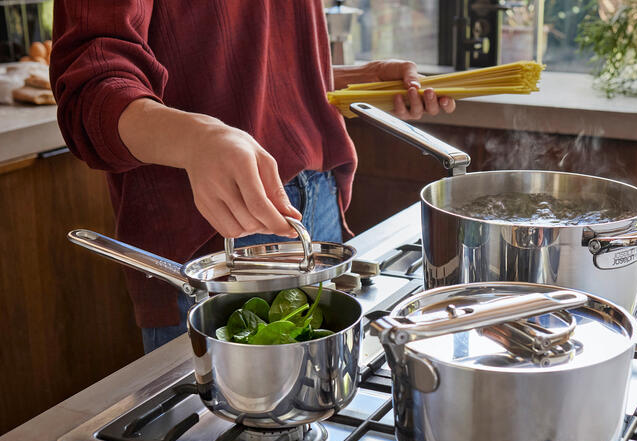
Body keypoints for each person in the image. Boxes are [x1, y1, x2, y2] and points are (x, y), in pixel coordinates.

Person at [50, 1, 455, 352]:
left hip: (319, 197)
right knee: (219, 410)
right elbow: (91, 89)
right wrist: (196, 139)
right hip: (212, 228)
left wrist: (340, 80)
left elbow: (241, 60)